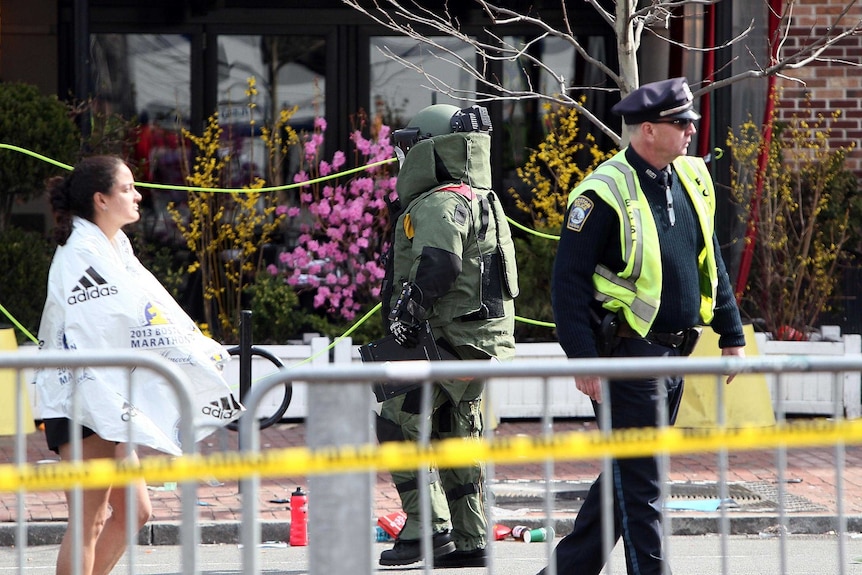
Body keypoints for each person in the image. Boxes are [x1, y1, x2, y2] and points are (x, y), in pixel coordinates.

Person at [539, 77, 747, 575]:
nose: (692, 131)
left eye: (691, 122)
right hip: (628, 358)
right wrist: (583, 358)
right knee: (644, 486)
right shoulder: (603, 192)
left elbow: (710, 260)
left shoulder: (692, 177)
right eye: (681, 124)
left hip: (674, 353)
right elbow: (567, 282)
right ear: (647, 131)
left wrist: (732, 334)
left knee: (626, 476)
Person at [34, 155, 243, 575]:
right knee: (89, 520)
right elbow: (132, 322)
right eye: (128, 188)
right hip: (80, 401)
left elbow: (153, 311)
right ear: (101, 199)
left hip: (106, 399)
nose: (138, 194)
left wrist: (198, 348)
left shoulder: (114, 246)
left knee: (136, 512)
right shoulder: (81, 253)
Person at [375, 104, 519, 568]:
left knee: (397, 423)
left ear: (431, 150)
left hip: (442, 340)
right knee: (458, 435)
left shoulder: (440, 201)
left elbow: (441, 263)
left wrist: (405, 312)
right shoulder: (482, 198)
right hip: (477, 343)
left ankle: (427, 530)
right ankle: (471, 539)